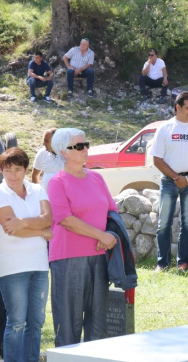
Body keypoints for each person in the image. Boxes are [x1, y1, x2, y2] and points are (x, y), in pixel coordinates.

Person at [47, 128, 117, 347]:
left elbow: (112, 213)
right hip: (68, 258)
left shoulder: (97, 178)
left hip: (99, 257)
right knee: (69, 322)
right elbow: (65, 219)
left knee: (98, 322)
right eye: (78, 146)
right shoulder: (56, 182)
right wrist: (101, 235)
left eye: (86, 144)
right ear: (63, 152)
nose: (85, 149)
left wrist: (111, 236)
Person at [0, 147, 52, 362]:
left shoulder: (38, 189)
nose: (13, 175)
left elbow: (48, 219)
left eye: (17, 170)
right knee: (16, 322)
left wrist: (23, 223)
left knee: (36, 321)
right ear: (1, 170)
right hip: (12, 267)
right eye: (8, 170)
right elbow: (10, 229)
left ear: (27, 169)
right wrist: (39, 230)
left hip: (38, 264)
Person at [149, 92, 188, 272]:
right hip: (169, 181)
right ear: (178, 107)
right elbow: (157, 159)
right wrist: (176, 177)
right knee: (163, 223)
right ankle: (162, 263)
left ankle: (182, 263)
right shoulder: (165, 128)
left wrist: (187, 178)